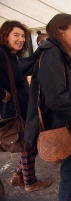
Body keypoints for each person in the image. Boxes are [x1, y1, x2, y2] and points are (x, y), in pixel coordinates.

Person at [23, 13, 71, 201]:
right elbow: (56, 99)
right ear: (60, 31)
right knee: (70, 172)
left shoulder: (58, 51)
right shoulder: (52, 54)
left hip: (68, 119)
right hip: (65, 122)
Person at [0, 20, 51, 192]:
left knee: (28, 141)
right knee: (29, 143)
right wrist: (1, 94)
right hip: (16, 108)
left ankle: (17, 175)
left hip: (23, 104)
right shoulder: (1, 53)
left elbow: (26, 68)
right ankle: (30, 182)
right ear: (5, 35)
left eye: (23, 36)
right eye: (16, 35)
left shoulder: (12, 55)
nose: (21, 39)